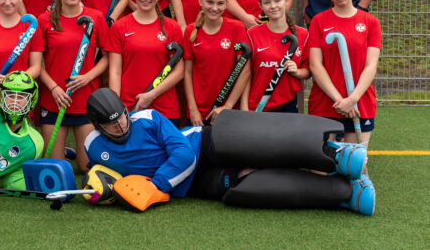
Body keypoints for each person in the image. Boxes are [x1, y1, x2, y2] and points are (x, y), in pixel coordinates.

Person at [83, 88, 375, 215]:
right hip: (188, 186)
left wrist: (156, 186)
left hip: (201, 145)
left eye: (122, 118)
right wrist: (99, 189)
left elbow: (183, 155)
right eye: (112, 125)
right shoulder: (93, 146)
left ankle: (336, 154)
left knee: (253, 147)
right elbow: (98, 173)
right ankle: (343, 193)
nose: (121, 126)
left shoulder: (147, 118)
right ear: (98, 126)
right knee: (244, 185)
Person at [38, 0, 109, 172]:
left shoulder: (95, 17)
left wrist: (87, 77)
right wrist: (53, 88)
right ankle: (64, 152)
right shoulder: (45, 20)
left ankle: (73, 152)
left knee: (87, 167)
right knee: (55, 167)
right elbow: (36, 63)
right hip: (55, 100)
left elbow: (107, 58)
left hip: (85, 100)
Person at [308, 0, 381, 146]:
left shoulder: (370, 22)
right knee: (322, 162)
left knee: (354, 161)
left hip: (359, 102)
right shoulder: (318, 21)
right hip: (326, 102)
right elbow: (315, 65)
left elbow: (371, 66)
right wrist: (340, 101)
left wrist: (352, 99)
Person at [106, 0, 184, 125]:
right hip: (130, 106)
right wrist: (117, 108)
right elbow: (115, 71)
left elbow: (179, 71)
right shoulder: (119, 27)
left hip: (165, 109)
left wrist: (152, 95)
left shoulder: (172, 27)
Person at [183, 0, 249, 126]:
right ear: (200, 1)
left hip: (227, 111)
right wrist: (193, 109)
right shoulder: (190, 31)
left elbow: (245, 70)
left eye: (220, 3)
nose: (214, 8)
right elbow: (187, 72)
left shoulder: (236, 28)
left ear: (226, 5)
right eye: (210, 2)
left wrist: (228, 105)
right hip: (198, 113)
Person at [244, 0, 310, 113]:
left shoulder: (302, 34)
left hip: (288, 106)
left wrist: (296, 71)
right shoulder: (252, 33)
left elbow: (308, 71)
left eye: (277, 0)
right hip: (258, 106)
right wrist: (244, 108)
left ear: (286, 1)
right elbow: (245, 76)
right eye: (267, 2)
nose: (273, 6)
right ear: (261, 6)